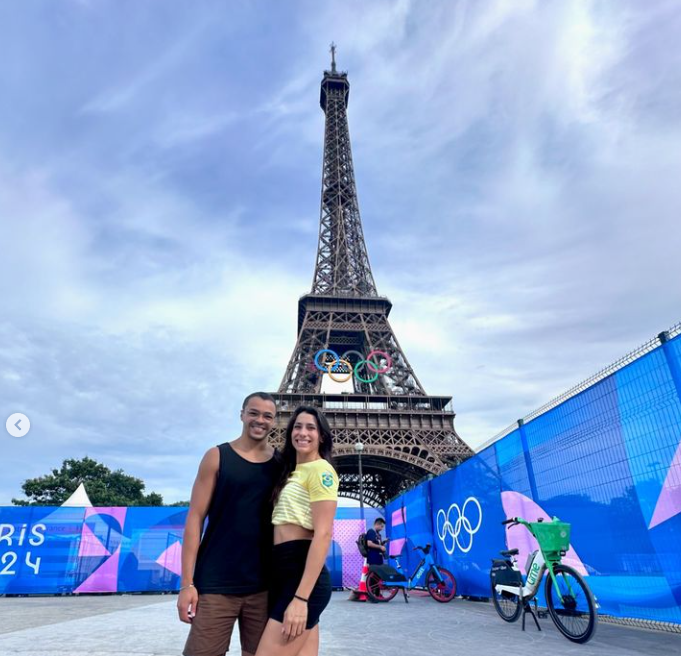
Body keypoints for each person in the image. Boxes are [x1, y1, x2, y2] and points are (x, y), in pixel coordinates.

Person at [179, 392, 281, 656]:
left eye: (267, 415)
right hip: (216, 583)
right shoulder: (216, 456)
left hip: (265, 585)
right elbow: (194, 519)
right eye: (254, 413)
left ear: (274, 421)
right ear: (242, 414)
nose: (260, 420)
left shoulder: (282, 464)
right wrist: (186, 584)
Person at [255, 405, 338, 656]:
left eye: (311, 427)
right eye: (297, 427)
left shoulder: (321, 469)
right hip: (283, 572)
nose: (303, 433)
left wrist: (301, 599)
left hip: (301, 577)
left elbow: (323, 534)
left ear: (321, 435)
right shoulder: (292, 471)